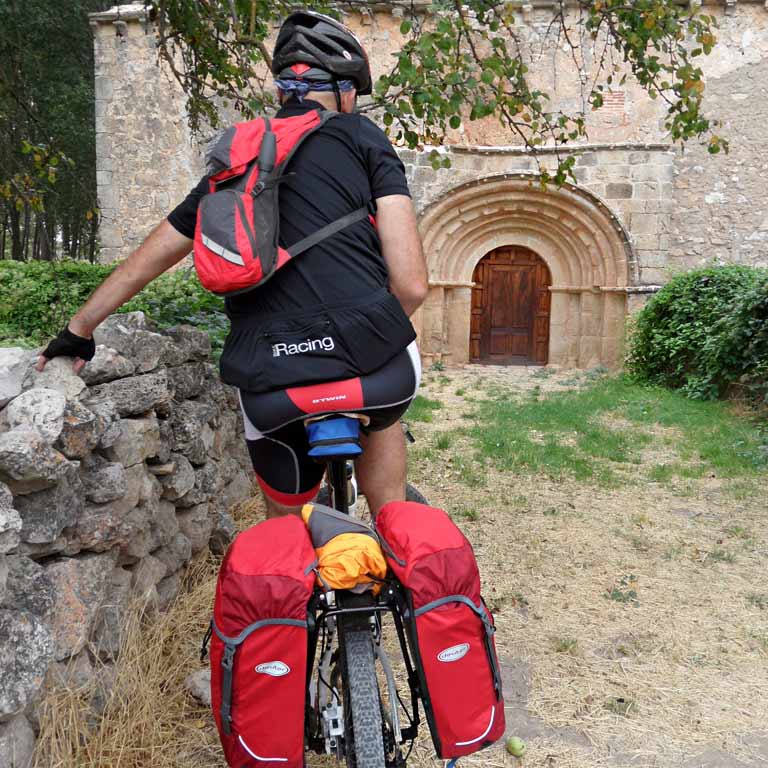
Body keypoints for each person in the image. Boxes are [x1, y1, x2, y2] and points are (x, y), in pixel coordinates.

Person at [38, 10, 428, 520]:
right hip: (372, 374)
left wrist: (81, 328)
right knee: (382, 406)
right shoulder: (362, 137)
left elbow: (156, 251)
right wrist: (361, 336)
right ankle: (394, 527)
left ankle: (289, 561)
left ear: (283, 91)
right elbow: (412, 285)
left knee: (283, 533)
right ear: (346, 93)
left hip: (268, 372)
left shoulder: (238, 159)